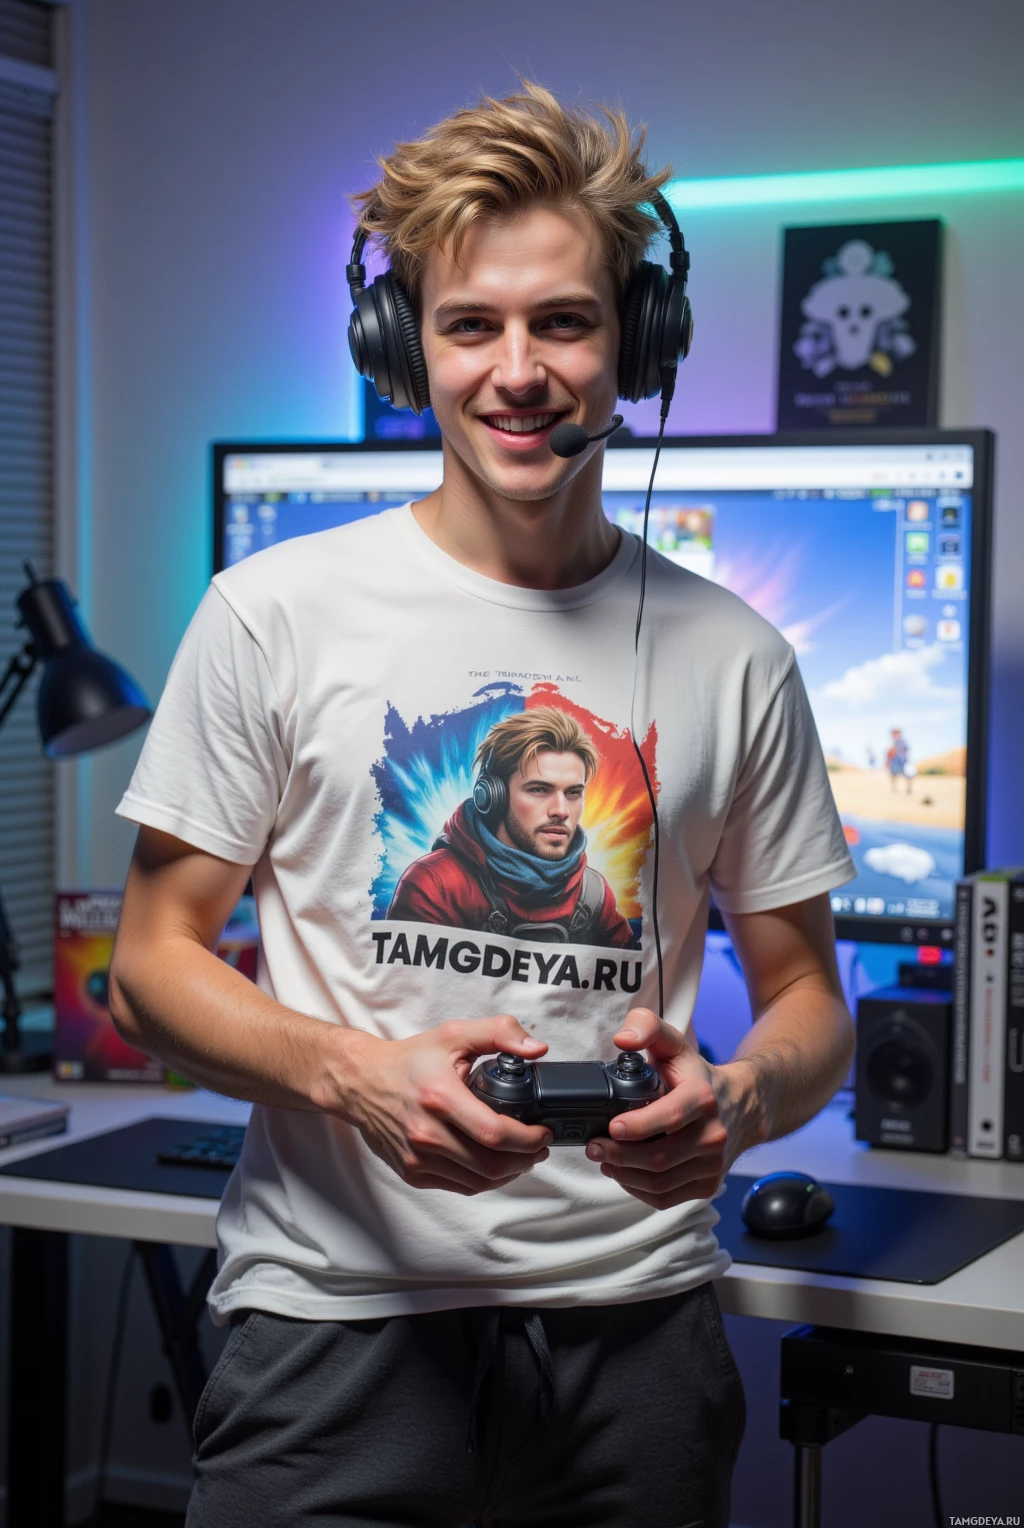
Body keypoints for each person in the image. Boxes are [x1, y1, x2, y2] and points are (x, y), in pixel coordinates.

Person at [110, 81, 857, 1528]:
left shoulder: (738, 658)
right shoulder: (271, 615)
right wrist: (355, 1077)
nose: (520, 371)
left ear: (633, 342)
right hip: (332, 1329)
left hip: (638, 1338)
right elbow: (151, 965)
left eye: (564, 321)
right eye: (470, 326)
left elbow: (809, 1000)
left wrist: (740, 1099)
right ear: (409, 349)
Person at [388, 706, 636, 946]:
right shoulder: (436, 885)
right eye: (539, 789)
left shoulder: (594, 894)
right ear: (494, 797)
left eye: (572, 793)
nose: (561, 810)